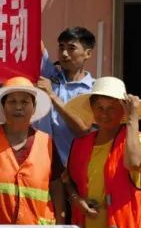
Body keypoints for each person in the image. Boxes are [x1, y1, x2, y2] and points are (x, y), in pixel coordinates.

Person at [61, 78, 141, 228]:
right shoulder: (81, 143)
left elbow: (135, 162)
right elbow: (68, 181)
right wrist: (76, 200)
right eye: (100, 108)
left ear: (123, 111)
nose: (105, 114)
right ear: (92, 110)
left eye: (112, 108)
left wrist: (132, 120)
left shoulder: (137, 139)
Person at [0, 77, 66, 225]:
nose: (18, 107)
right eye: (12, 101)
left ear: (34, 107)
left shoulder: (47, 142)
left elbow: (56, 188)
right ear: (3, 106)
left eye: (25, 102)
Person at [35, 27, 97, 165]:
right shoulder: (50, 75)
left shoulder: (94, 90)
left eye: (71, 48)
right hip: (42, 165)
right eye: (61, 47)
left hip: (75, 167)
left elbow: (83, 129)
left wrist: (52, 96)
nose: (64, 53)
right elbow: (34, 42)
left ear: (87, 53)